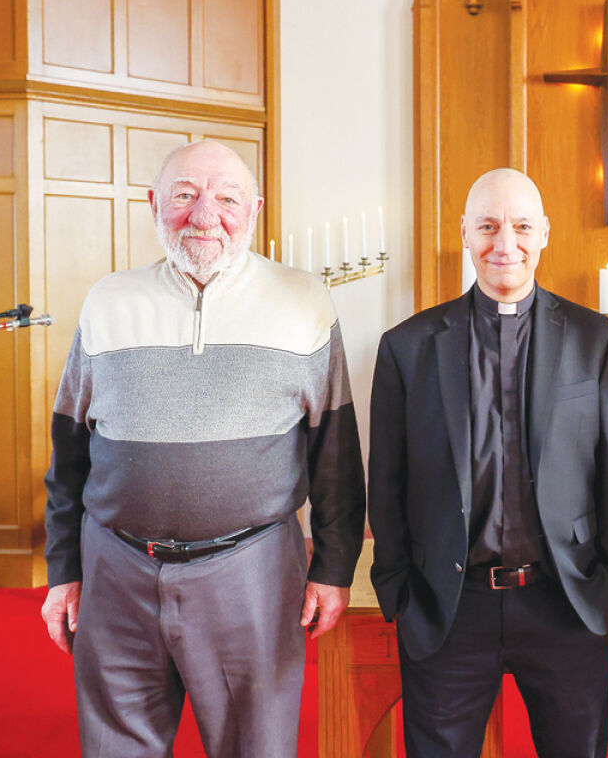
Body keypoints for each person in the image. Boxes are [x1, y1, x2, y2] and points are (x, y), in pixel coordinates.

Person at [40, 140, 366, 758]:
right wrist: (63, 572)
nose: (205, 215)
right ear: (153, 204)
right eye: (184, 195)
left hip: (252, 572)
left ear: (256, 210)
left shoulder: (304, 302)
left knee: (255, 747)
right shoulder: (108, 301)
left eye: (227, 199)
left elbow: (336, 457)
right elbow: (69, 454)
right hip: (116, 572)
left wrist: (333, 568)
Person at [368, 167, 608, 758]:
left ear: (545, 233)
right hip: (448, 603)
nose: (505, 244)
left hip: (563, 599)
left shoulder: (593, 338)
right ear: (464, 232)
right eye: (488, 227)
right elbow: (386, 479)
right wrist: (397, 591)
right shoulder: (408, 346)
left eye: (521, 227)